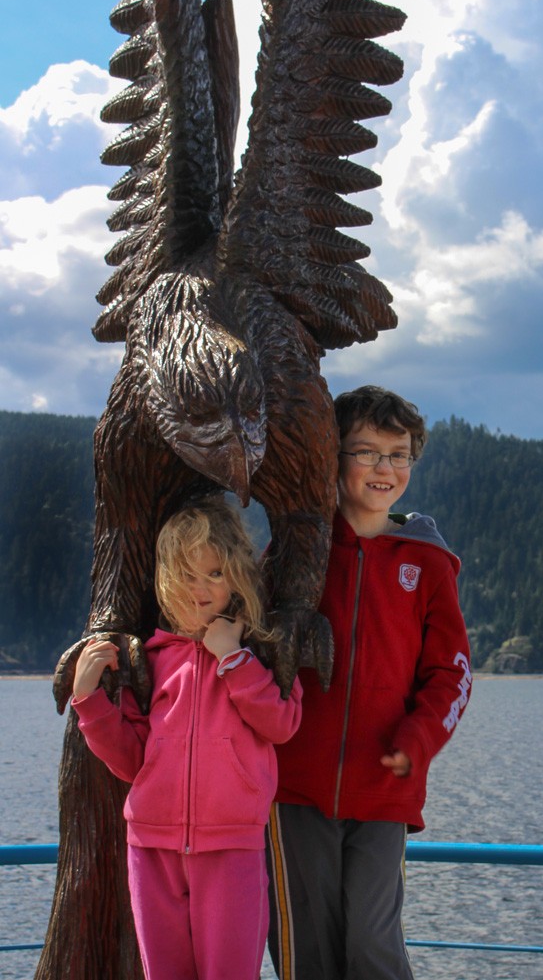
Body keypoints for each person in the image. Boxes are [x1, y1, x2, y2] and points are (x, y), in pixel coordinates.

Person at [267, 384, 472, 980]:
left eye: (399, 454)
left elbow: (452, 675)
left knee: (372, 948)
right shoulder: (298, 549)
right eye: (366, 452)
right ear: (335, 458)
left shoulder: (428, 563)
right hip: (292, 787)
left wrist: (418, 740)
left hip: (385, 792)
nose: (385, 468)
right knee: (307, 952)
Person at [71, 498, 302, 980]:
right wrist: (88, 700)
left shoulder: (260, 650)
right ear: (165, 580)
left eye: (215, 574)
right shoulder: (149, 660)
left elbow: (282, 724)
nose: (200, 589)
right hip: (151, 850)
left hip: (232, 849)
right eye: (187, 575)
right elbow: (133, 760)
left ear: (237, 575)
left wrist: (232, 659)